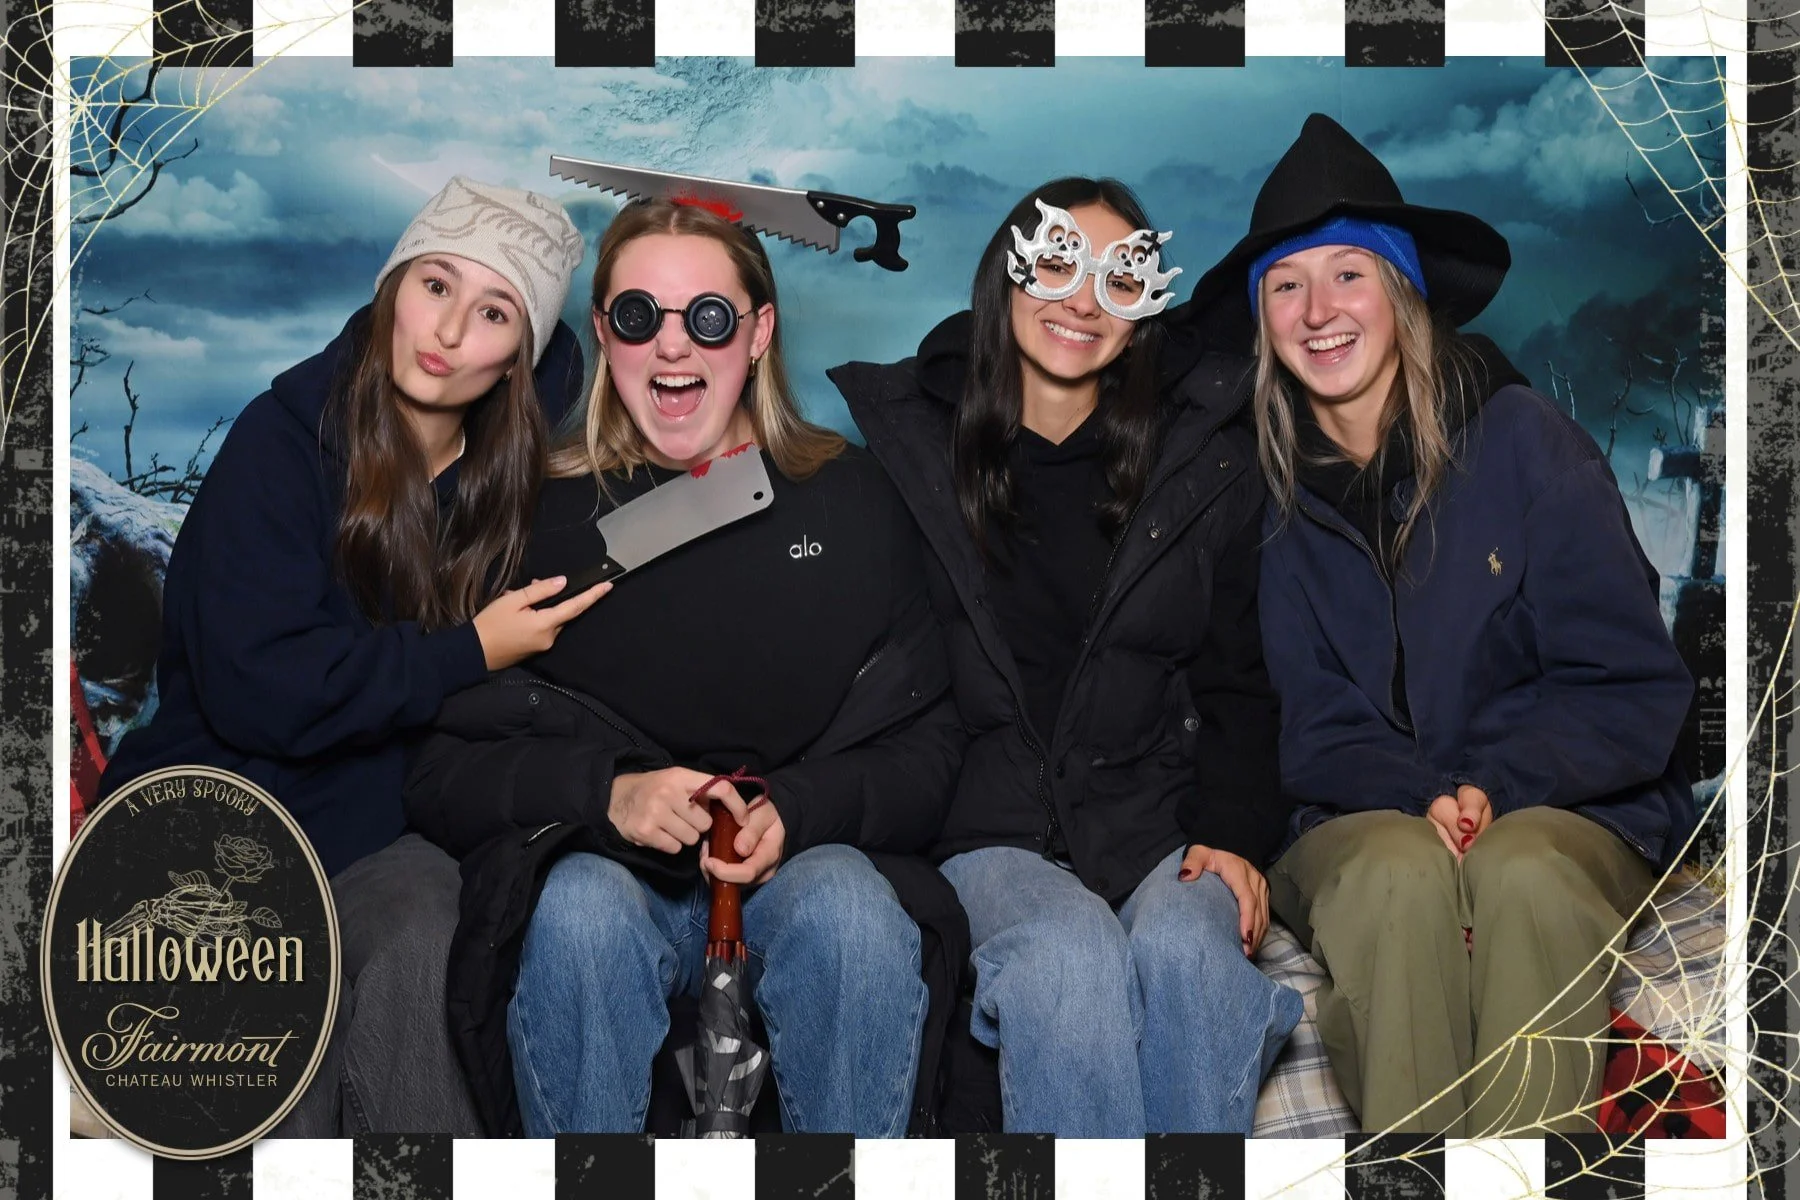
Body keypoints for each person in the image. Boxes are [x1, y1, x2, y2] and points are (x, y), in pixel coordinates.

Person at [1176, 113, 1698, 1136]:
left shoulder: (1524, 442)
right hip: (1356, 813)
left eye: (1350, 275)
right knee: (1392, 879)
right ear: (1261, 321)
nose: (1319, 310)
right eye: (1287, 284)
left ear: (1404, 292)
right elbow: (1302, 721)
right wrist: (1422, 798)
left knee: (1527, 877)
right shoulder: (1258, 500)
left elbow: (1632, 686)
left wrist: (1488, 786)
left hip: (1567, 806)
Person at [403, 196, 967, 1138]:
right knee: (580, 910)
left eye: (708, 317)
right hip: (609, 872)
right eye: (638, 318)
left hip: (806, 867)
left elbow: (932, 746)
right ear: (601, 333)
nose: (672, 349)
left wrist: (801, 808)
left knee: (853, 915)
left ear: (758, 334)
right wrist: (606, 792)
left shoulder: (857, 501)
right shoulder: (532, 514)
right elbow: (440, 770)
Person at [98, 176, 602, 1135]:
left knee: (429, 928)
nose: (449, 333)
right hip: (217, 819)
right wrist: (467, 652)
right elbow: (264, 693)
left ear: (518, 360)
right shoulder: (278, 442)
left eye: (493, 311)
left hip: (380, 836)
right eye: (435, 285)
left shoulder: (512, 496)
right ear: (392, 287)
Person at [830, 178, 1303, 1137]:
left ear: (1145, 312)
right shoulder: (913, 452)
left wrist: (1236, 832)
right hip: (982, 827)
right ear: (1006, 277)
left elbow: (1239, 676)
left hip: (1153, 823)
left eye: (1117, 280)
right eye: (1057, 264)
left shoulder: (1207, 460)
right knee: (1066, 956)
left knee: (1189, 958)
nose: (1083, 301)